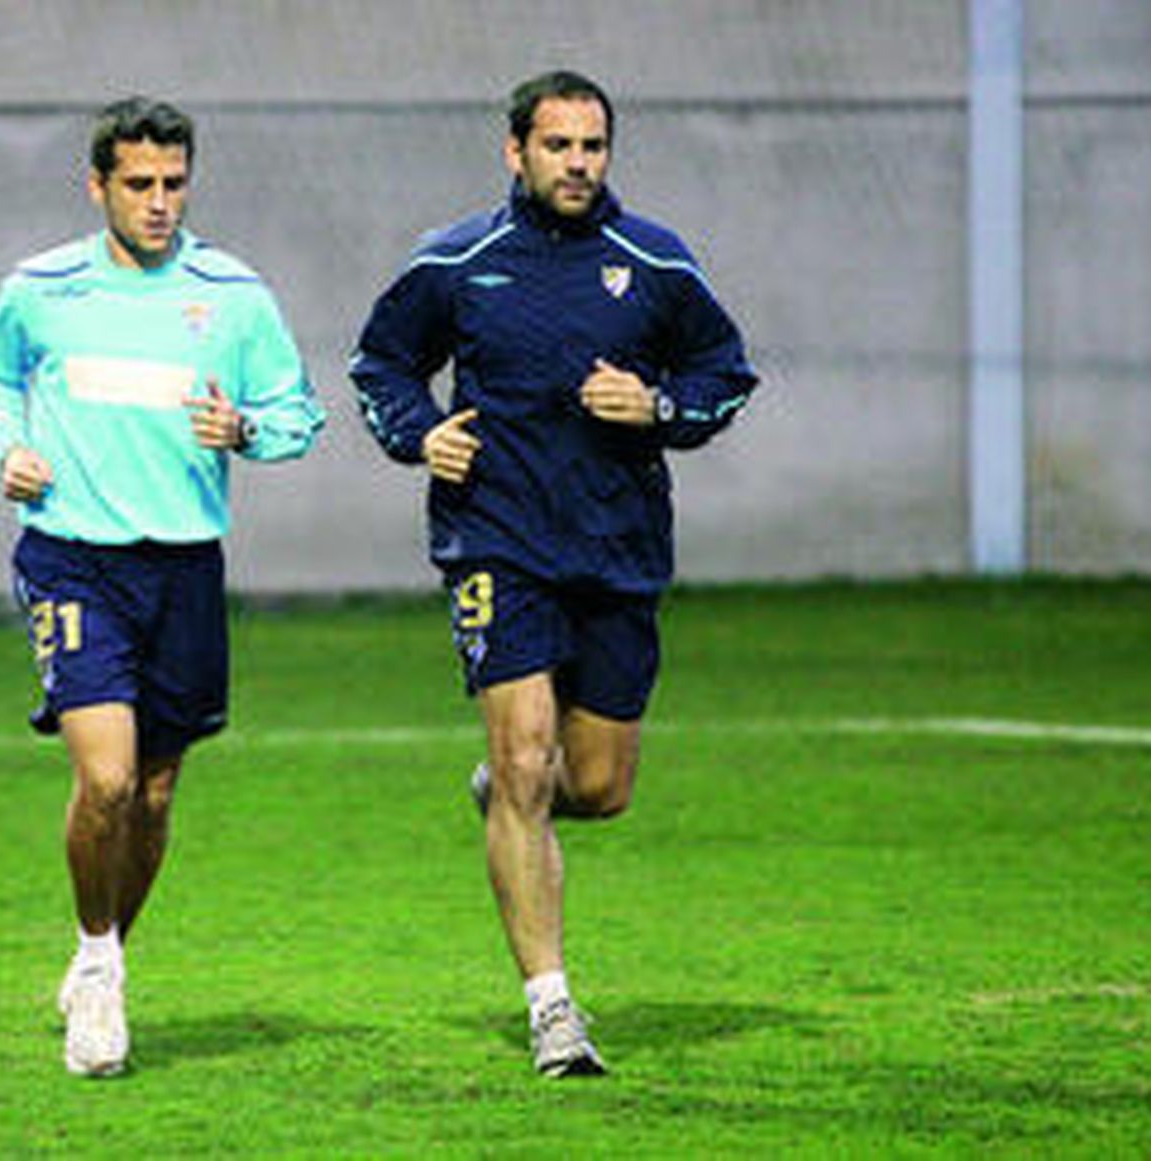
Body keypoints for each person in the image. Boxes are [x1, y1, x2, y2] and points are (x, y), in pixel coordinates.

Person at [350, 70, 757, 1077]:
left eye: (592, 147)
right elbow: (380, 366)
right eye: (558, 146)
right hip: (495, 542)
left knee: (600, 787)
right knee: (529, 760)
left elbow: (724, 376)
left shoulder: (653, 261)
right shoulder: (458, 261)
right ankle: (553, 1010)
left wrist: (656, 406)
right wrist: (420, 436)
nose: (576, 164)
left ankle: (506, 794)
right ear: (515, 152)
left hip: (617, 551)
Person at [0, 96, 324, 1077]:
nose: (159, 202)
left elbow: (299, 414)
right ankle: (97, 965)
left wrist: (246, 431)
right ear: (99, 187)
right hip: (72, 555)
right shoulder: (40, 289)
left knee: (155, 796)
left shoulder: (234, 296)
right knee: (108, 778)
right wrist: (9, 447)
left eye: (173, 184)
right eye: (139, 185)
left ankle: (103, 959)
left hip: (185, 568)